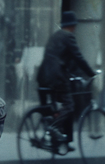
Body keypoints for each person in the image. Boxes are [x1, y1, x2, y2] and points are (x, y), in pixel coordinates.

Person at [37, 11, 96, 148]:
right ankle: (54, 127)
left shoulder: (55, 35)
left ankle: (61, 141)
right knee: (69, 106)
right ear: (72, 25)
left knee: (57, 107)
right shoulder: (68, 36)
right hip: (57, 77)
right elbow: (78, 57)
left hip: (43, 76)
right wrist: (90, 73)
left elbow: (59, 57)